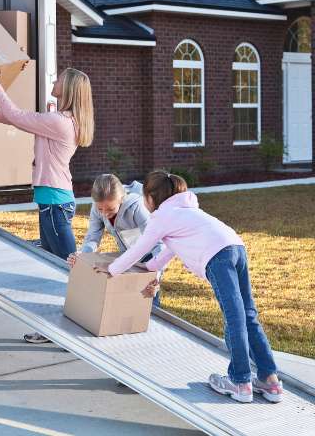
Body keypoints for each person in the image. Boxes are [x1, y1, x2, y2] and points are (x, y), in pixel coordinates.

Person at [94, 170, 283, 404]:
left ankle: (240, 381)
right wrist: (151, 267)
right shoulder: (187, 212)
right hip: (236, 247)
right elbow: (169, 250)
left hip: (218, 256)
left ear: (151, 199)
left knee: (234, 318)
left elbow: (138, 248)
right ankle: (269, 379)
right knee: (248, 315)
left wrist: (112, 269)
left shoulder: (162, 217)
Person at [0, 64, 94, 344]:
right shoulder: (60, 120)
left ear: (69, 89)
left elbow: (20, 116)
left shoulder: (60, 122)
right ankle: (56, 330)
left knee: (67, 271)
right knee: (55, 268)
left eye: (60, 79)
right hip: (53, 202)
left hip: (54, 203)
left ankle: (75, 331)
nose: (55, 80)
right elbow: (21, 120)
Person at [67, 173, 163, 306]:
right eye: (101, 209)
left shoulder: (137, 208)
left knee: (148, 299)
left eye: (111, 209)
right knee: (128, 300)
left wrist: (156, 276)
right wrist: (83, 254)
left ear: (121, 199)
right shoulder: (97, 208)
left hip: (150, 257)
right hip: (127, 256)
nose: (105, 214)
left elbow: (158, 244)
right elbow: (93, 237)